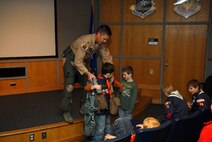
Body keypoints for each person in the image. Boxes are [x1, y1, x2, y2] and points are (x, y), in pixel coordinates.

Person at [60, 25, 113, 123]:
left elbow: (106, 58)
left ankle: (84, 107)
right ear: (98, 34)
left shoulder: (101, 43)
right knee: (69, 86)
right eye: (104, 39)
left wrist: (111, 72)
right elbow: (77, 62)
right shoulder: (85, 41)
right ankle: (65, 111)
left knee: (87, 84)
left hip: (81, 61)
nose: (105, 41)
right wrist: (88, 72)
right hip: (70, 60)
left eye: (106, 40)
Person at [84, 62, 115, 141]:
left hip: (107, 109)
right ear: (108, 74)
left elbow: (108, 91)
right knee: (100, 129)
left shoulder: (107, 81)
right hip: (100, 111)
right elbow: (86, 88)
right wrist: (93, 86)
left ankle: (108, 139)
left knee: (108, 126)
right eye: (112, 74)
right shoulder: (97, 80)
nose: (113, 75)